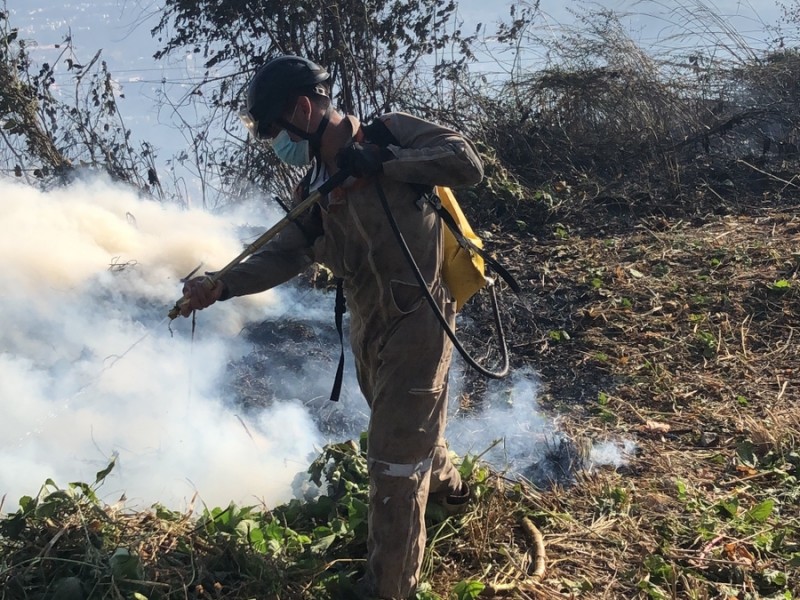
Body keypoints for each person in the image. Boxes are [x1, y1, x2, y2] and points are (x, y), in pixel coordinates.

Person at [179, 55, 484, 599]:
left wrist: (385, 163)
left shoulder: (391, 131)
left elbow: (466, 162)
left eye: (274, 129)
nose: (275, 141)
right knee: (408, 434)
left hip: (422, 319)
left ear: (302, 108)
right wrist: (221, 285)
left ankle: (387, 587)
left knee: (391, 460)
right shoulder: (314, 192)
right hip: (368, 331)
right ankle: (452, 491)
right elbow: (284, 255)